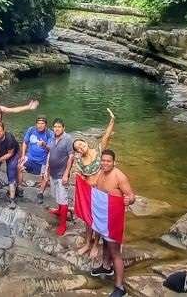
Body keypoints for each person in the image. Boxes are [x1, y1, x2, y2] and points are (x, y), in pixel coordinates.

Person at [89, 149, 135, 297]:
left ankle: (120, 287)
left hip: (114, 217)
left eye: (108, 161)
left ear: (114, 162)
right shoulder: (101, 172)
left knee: (115, 252)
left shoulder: (119, 176)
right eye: (103, 160)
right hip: (103, 214)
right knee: (105, 244)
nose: (105, 163)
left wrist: (129, 200)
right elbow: (94, 184)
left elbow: (131, 195)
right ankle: (105, 267)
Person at [73, 108, 117, 257]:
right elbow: (81, 178)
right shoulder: (79, 161)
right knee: (88, 218)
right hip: (89, 192)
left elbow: (106, 136)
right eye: (77, 147)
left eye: (81, 144)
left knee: (99, 218)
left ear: (85, 143)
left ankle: (96, 244)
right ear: (78, 151)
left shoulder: (98, 150)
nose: (80, 146)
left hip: (102, 190)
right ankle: (87, 242)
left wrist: (112, 120)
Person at [44, 118, 75, 236]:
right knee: (57, 195)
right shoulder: (52, 137)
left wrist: (66, 174)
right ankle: (59, 211)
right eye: (55, 127)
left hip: (62, 174)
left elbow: (71, 157)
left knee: (63, 199)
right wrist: (47, 170)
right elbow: (51, 151)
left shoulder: (68, 139)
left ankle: (63, 225)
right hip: (53, 172)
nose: (56, 129)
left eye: (59, 127)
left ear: (64, 128)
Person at [19, 116, 54, 204]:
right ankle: (19, 188)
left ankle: (40, 193)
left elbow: (51, 148)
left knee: (45, 176)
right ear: (36, 124)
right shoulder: (31, 130)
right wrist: (23, 155)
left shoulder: (49, 133)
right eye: (38, 123)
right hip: (30, 157)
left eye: (42, 123)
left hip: (43, 160)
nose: (40, 125)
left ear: (46, 125)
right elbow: (25, 142)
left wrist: (44, 144)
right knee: (19, 166)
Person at [0, 121, 20, 209]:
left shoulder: (9, 139)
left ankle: (12, 199)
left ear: (4, 130)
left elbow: (10, 154)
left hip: (12, 154)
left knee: (11, 172)